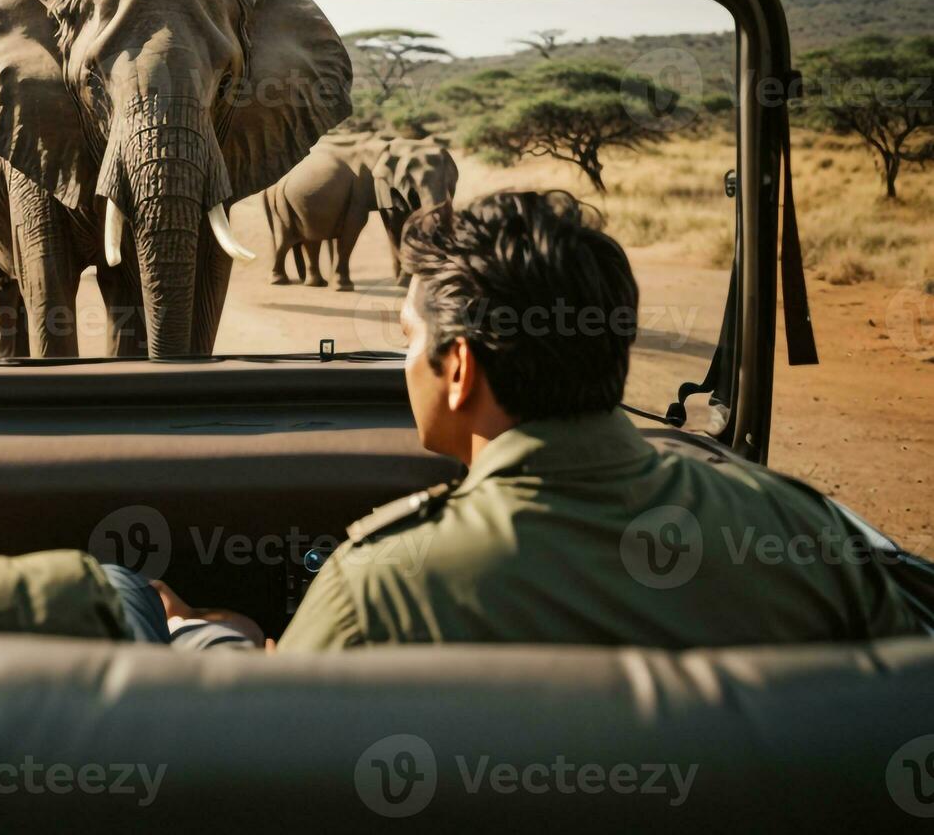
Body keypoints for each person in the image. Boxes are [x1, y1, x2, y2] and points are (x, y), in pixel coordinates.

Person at [142, 190, 924, 650]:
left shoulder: (379, 585)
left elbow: (270, 770)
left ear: (461, 371)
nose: (405, 366)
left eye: (409, 342)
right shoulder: (803, 532)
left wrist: (201, 636)